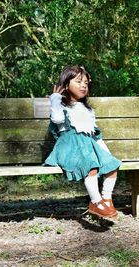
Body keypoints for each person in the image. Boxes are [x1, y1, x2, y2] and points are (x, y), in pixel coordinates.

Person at [44, 65, 121, 218]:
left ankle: (106, 199)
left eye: (86, 83)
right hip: (69, 148)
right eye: (78, 82)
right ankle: (95, 202)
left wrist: (106, 154)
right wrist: (54, 98)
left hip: (89, 146)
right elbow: (57, 119)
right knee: (90, 166)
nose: (83, 85)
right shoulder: (60, 105)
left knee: (112, 166)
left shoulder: (88, 110)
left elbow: (94, 134)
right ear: (66, 85)